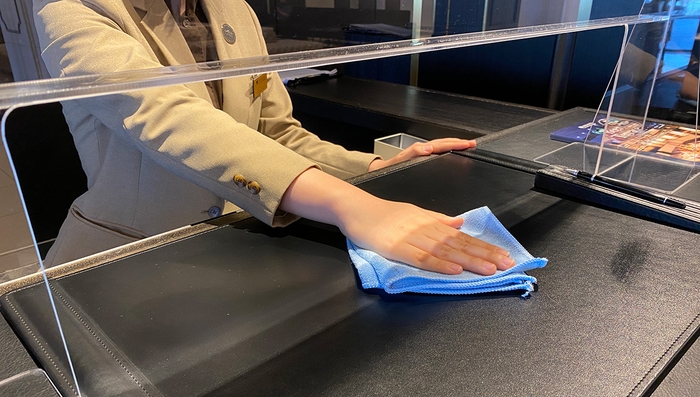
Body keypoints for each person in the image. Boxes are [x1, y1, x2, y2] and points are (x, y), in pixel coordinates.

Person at [33, 0, 516, 275]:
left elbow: (275, 132)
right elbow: (166, 117)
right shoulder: (71, 9)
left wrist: (372, 170)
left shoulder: (234, 10)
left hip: (244, 248)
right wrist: (352, 204)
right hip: (129, 260)